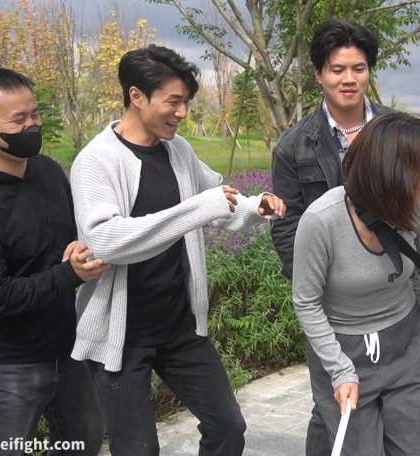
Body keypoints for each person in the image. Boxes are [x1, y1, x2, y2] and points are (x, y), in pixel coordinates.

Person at [68, 45, 285, 456]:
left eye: (186, 101)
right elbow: (105, 241)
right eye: (173, 101)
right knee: (138, 449)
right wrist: (200, 207)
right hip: (121, 336)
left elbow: (222, 203)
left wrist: (257, 206)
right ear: (136, 96)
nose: (182, 112)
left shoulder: (178, 150)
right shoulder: (97, 160)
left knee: (228, 428)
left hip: (179, 328)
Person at [270, 19, 420, 455]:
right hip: (337, 305)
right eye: (337, 69)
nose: (349, 79)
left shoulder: (397, 130)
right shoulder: (295, 145)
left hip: (396, 290)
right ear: (318, 73)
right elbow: (289, 225)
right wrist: (320, 282)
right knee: (336, 411)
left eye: (359, 68)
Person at [0, 67, 108, 455]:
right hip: (7, 365)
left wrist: (81, 246)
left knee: (83, 444)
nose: (31, 126)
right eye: (18, 119)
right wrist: (68, 275)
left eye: (34, 115)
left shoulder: (48, 172)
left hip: (68, 349)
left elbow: (72, 236)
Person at [293, 112, 420, 455]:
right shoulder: (321, 221)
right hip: (344, 350)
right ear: (395, 175)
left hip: (406, 342)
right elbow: (306, 302)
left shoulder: (416, 203)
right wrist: (339, 369)